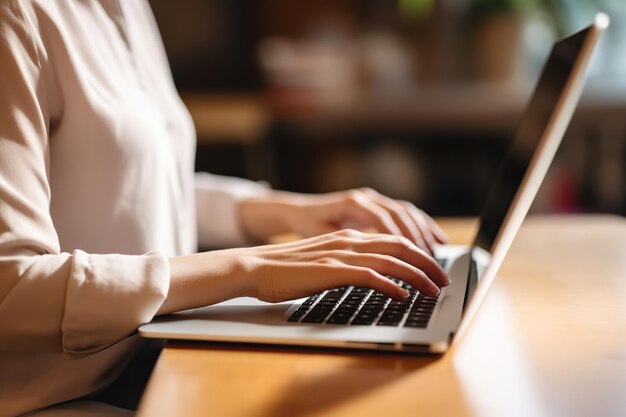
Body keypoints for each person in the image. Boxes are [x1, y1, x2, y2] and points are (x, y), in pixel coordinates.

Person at [0, 1, 449, 416]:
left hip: (147, 353)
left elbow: (124, 186)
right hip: (59, 397)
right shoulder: (15, 17)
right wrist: (251, 269)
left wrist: (284, 211)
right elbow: (10, 287)